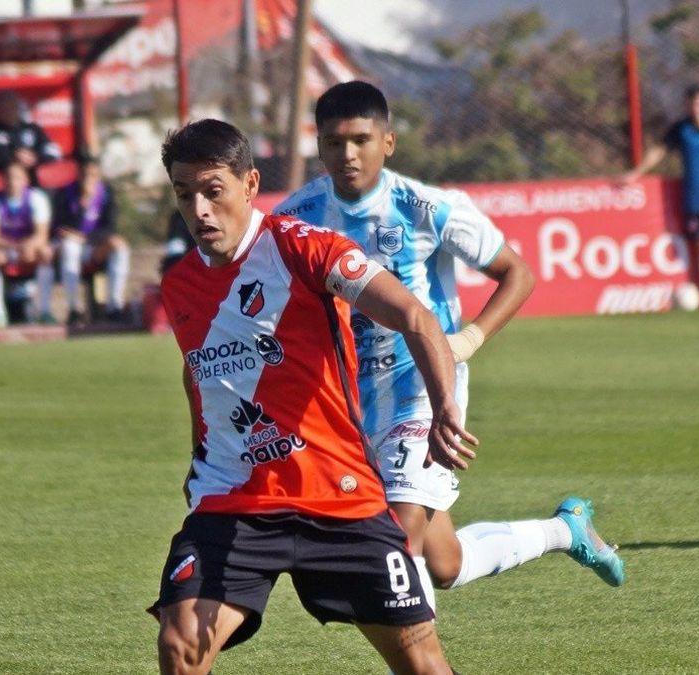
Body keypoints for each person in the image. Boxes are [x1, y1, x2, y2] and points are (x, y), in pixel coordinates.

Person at [275, 81, 625, 611]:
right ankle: (565, 530)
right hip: (346, 401)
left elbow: (517, 273)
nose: (348, 154)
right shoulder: (293, 219)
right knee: (445, 563)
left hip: (421, 389)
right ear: (318, 146)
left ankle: (420, 653)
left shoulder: (426, 208)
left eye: (361, 140)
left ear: (388, 142)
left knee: (398, 538)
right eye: (334, 142)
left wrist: (470, 338)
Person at [153, 118, 477, 675]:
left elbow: (413, 315)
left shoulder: (305, 249)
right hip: (235, 498)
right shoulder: (179, 284)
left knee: (422, 663)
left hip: (338, 495)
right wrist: (198, 452)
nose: (199, 209)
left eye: (213, 191)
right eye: (185, 195)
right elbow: (198, 370)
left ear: (250, 184)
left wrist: (444, 405)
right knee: (181, 644)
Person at [622, 83, 699, 307]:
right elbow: (659, 150)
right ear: (687, 104)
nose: (697, 106)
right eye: (693, 102)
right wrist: (636, 173)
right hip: (696, 200)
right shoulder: (681, 129)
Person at [0, 159, 56, 325]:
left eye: (17, 177)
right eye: (9, 177)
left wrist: (29, 245)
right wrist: (14, 246)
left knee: (46, 252)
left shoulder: (36, 198)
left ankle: (45, 310)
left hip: (28, 247)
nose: (12, 182)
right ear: (3, 180)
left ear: (26, 180)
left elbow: (42, 234)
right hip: (5, 247)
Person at [55, 155, 130, 325]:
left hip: (96, 246)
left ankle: (114, 306)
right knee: (70, 247)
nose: (89, 179)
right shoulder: (65, 193)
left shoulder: (107, 193)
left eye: (93, 175)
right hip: (71, 247)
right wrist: (82, 205)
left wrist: (87, 238)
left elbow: (110, 227)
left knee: (119, 246)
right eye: (85, 174)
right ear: (78, 175)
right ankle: (74, 309)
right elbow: (60, 227)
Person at [0, 89, 62, 173]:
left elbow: (53, 151)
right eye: (4, 108)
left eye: (12, 107)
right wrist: (11, 160)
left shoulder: (33, 129)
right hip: (3, 178)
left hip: (35, 176)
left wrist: (35, 158)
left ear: (18, 108)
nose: (9, 111)